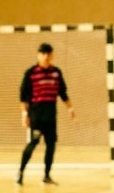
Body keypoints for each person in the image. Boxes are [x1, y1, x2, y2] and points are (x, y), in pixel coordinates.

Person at [17, 42, 75, 185]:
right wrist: (24, 115)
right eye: (43, 54)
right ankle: (21, 172)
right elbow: (23, 96)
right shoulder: (30, 73)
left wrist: (70, 108)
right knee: (33, 143)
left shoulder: (56, 72)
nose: (46, 57)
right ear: (39, 55)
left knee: (51, 145)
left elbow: (62, 93)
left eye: (49, 54)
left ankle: (47, 175)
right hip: (36, 115)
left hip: (51, 116)